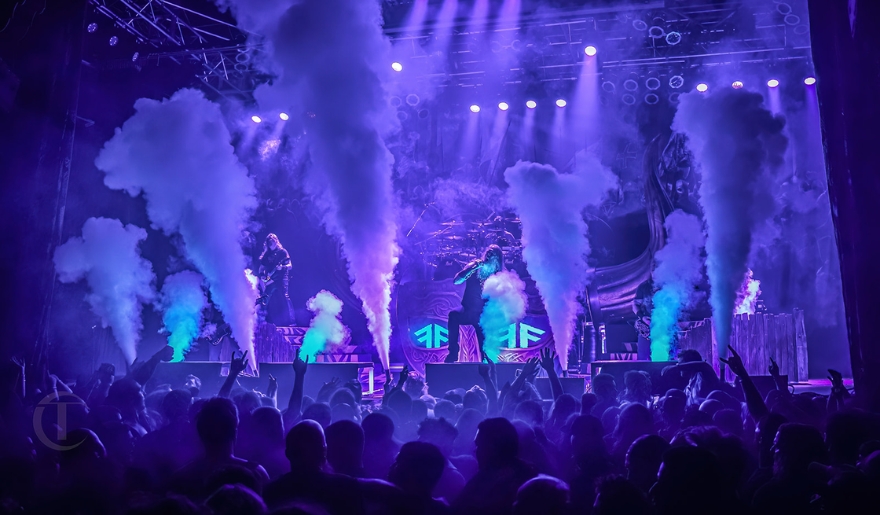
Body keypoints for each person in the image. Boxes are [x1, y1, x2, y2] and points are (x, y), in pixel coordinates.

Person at [446, 245, 504, 363]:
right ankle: (453, 353)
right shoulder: (474, 266)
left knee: (486, 349)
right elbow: (457, 281)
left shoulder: (498, 274)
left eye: (493, 255)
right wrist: (471, 269)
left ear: (498, 259)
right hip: (467, 310)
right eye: (489, 253)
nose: (490, 256)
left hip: (483, 315)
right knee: (453, 315)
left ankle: (487, 363)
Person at [256, 233, 293, 324]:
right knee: (265, 297)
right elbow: (261, 268)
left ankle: (291, 320)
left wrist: (282, 267)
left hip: (281, 278)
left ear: (276, 241)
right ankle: (262, 318)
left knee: (284, 297)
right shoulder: (266, 255)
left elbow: (290, 266)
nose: (271, 244)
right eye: (269, 242)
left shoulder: (283, 252)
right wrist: (262, 276)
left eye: (273, 241)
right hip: (270, 278)